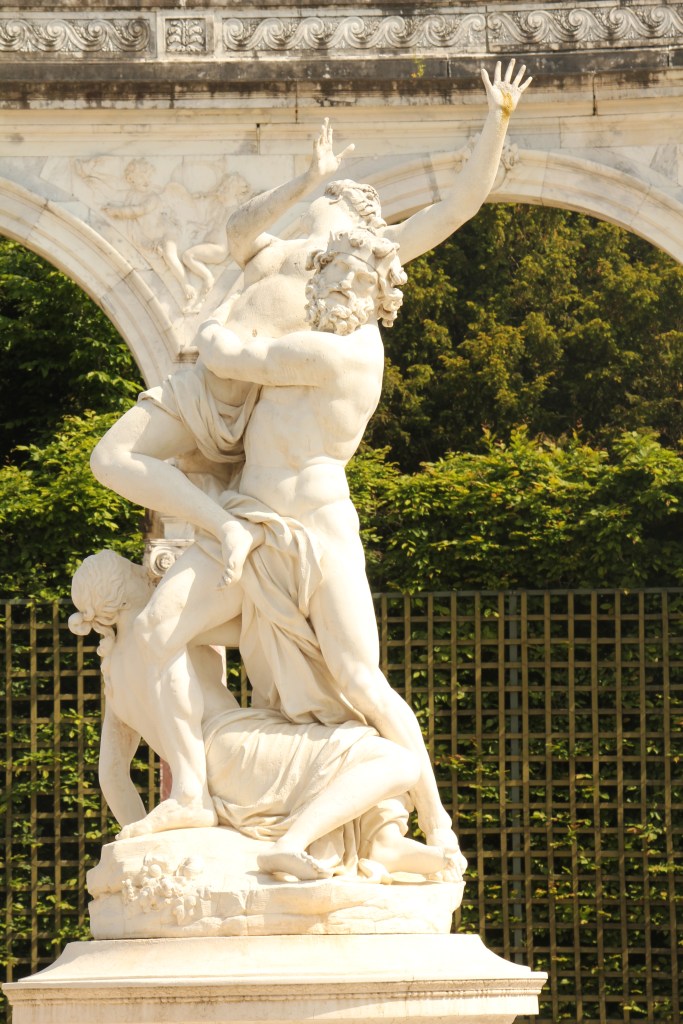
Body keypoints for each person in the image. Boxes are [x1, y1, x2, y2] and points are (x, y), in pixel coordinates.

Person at [88, 59, 531, 862]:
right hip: (248, 501)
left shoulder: (344, 328)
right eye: (343, 206)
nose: (351, 228)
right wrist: (308, 176)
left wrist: (495, 122)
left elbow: (459, 203)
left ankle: (428, 823)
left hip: (306, 513)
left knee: (357, 680)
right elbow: (237, 236)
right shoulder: (288, 251)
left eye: (356, 221)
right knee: (159, 630)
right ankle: (192, 793)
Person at [70, 549, 464, 883]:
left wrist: (139, 842)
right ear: (122, 592)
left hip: (228, 777)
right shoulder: (157, 633)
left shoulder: (114, 674)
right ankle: (290, 844)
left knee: (349, 743)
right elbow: (238, 635)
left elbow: (113, 775)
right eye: (135, 571)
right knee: (394, 759)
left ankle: (383, 844)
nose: (148, 576)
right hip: (238, 748)